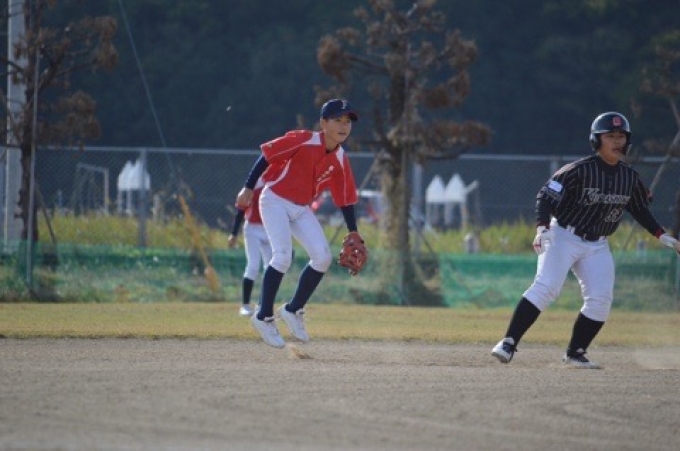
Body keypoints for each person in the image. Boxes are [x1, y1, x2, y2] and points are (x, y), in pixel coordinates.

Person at [491, 111, 680, 369]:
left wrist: (661, 234)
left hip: (598, 244)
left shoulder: (629, 177)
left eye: (621, 136)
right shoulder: (578, 170)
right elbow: (545, 197)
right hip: (563, 235)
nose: (617, 141)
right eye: (610, 136)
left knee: (601, 299)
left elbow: (638, 208)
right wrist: (542, 228)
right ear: (596, 140)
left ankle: (575, 353)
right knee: (546, 287)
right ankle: (508, 343)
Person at [235, 98, 363, 348]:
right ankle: (263, 316)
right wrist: (248, 187)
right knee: (282, 256)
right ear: (323, 123)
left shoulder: (340, 158)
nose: (344, 126)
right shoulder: (303, 139)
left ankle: (292, 310)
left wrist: (353, 231)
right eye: (338, 120)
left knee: (322, 257)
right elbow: (267, 155)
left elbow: (346, 198)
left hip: (301, 208)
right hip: (274, 200)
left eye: (348, 122)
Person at [227, 178, 271, 317]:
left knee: (271, 267)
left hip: (270, 228)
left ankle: (263, 305)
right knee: (253, 265)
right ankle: (245, 306)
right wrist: (234, 233)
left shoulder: (276, 180)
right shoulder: (255, 183)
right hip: (252, 229)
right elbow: (241, 210)